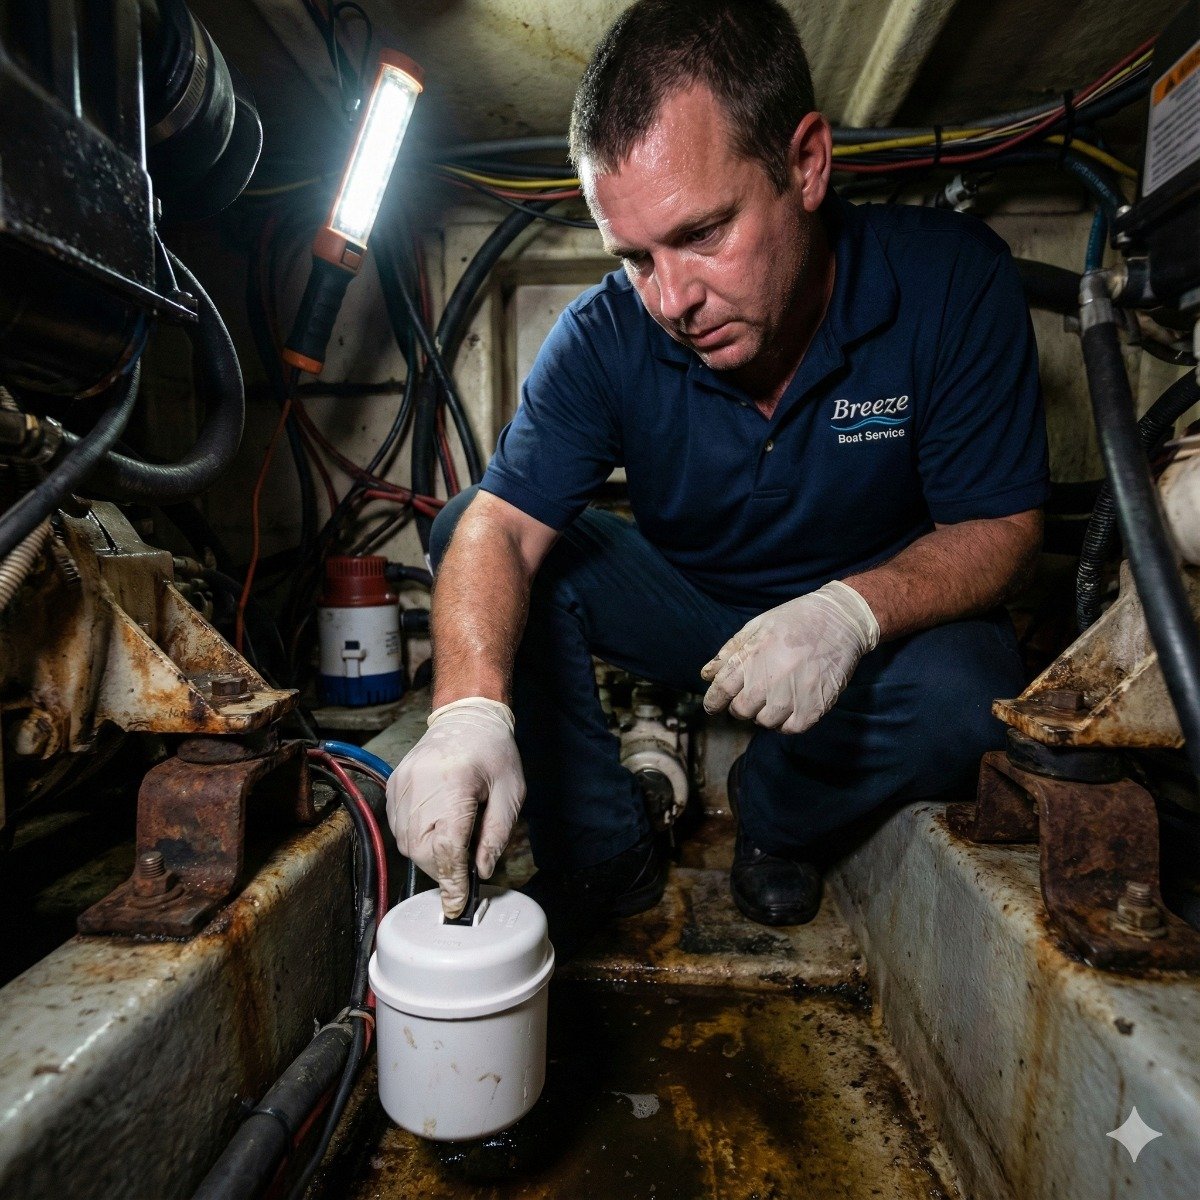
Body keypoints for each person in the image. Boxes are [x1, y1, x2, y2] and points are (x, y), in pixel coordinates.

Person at [385, 0, 1047, 954]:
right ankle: (605, 855)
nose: (673, 300)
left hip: (868, 626)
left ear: (806, 164)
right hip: (690, 611)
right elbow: (499, 529)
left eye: (702, 233)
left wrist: (847, 616)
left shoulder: (951, 285)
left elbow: (1005, 526)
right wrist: (465, 713)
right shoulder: (608, 334)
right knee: (465, 532)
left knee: (971, 695)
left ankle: (778, 810)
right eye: (636, 258)